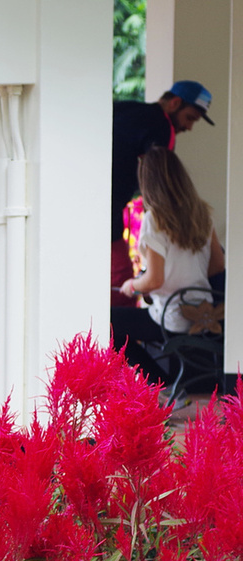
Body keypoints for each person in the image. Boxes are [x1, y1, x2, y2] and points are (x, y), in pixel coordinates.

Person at [112, 148, 224, 386]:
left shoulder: (155, 219)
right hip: (201, 314)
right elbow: (217, 266)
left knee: (108, 323)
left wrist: (131, 285)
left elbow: (154, 281)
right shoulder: (202, 213)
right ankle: (169, 385)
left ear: (148, 183)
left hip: (170, 317)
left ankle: (161, 384)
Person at [111, 80, 213, 307]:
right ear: (175, 103)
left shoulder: (127, 108)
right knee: (119, 278)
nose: (189, 128)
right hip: (110, 205)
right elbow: (161, 183)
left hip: (88, 193)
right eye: (190, 118)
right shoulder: (163, 128)